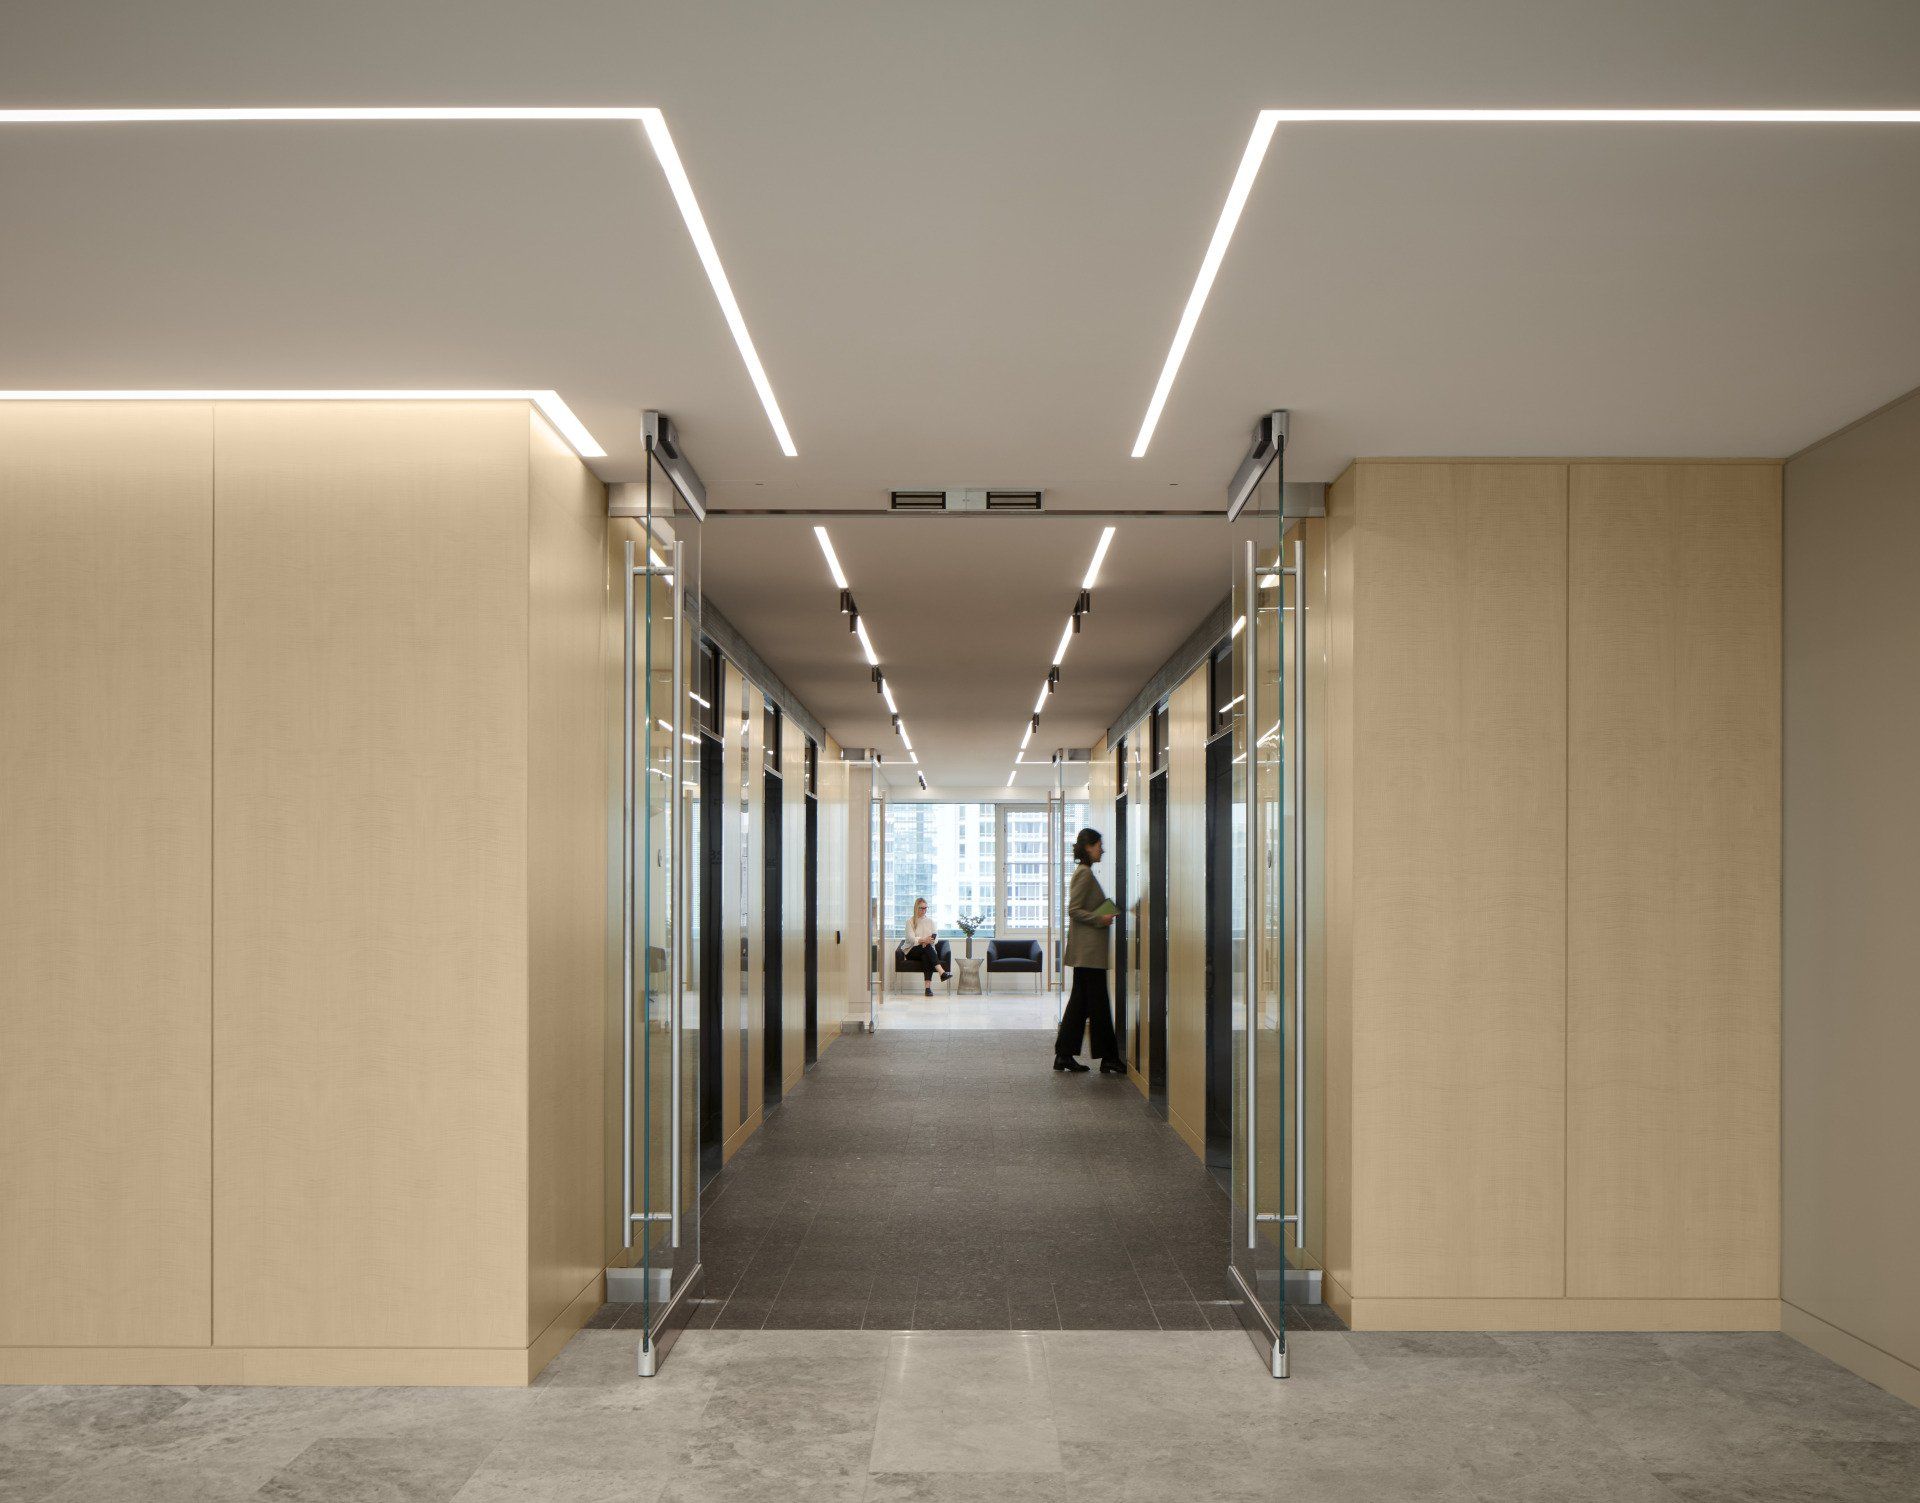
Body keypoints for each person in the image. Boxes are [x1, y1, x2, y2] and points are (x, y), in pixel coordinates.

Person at [1054, 827, 1123, 1074]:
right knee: (1099, 1005)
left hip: (1088, 954)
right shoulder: (1083, 874)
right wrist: (1099, 918)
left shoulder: (1085, 872)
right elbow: (1073, 909)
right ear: (1087, 847)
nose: (1101, 849)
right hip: (1088, 954)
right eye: (1098, 845)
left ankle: (1064, 1055)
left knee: (1080, 1005)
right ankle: (1109, 1058)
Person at [900, 897, 952, 995]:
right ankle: (942, 972)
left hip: (925, 950)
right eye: (921, 908)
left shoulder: (930, 921)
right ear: (916, 908)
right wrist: (924, 940)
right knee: (926, 948)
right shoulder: (910, 921)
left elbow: (936, 939)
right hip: (911, 951)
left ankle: (927, 989)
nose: (924, 910)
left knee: (926, 955)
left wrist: (929, 941)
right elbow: (911, 939)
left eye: (925, 908)